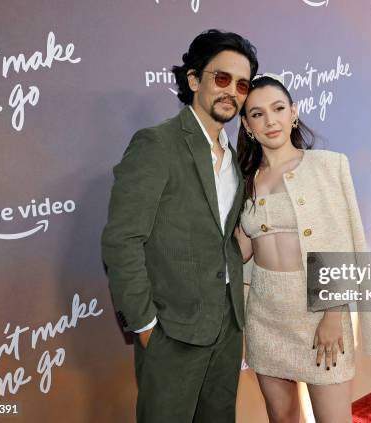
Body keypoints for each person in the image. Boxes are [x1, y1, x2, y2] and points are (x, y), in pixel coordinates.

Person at [101, 29, 258, 423]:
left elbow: (217, 238)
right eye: (221, 78)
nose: (232, 92)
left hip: (227, 326)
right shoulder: (157, 144)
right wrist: (146, 325)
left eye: (242, 84)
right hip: (173, 329)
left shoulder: (234, 159)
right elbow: (122, 241)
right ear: (193, 80)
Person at [235, 74, 371, 423]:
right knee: (282, 416)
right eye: (257, 114)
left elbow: (343, 239)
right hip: (265, 314)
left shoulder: (327, 165)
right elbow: (240, 252)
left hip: (319, 311)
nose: (270, 120)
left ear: (294, 113)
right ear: (246, 124)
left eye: (278, 109)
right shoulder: (244, 179)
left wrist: (334, 314)